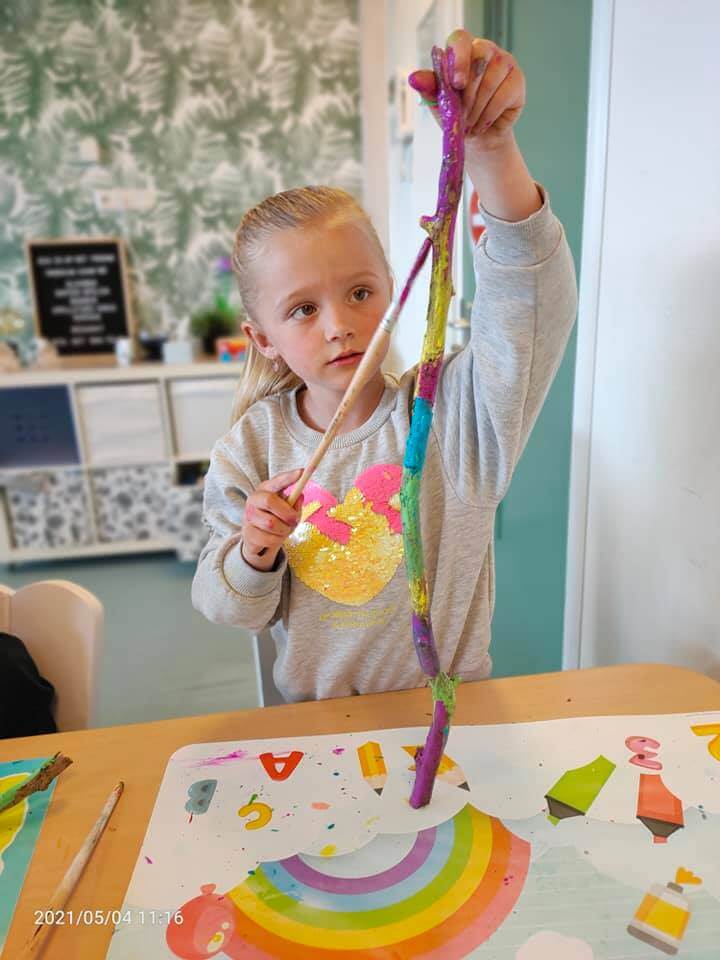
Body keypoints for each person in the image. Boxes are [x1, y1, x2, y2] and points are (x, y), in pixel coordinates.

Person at [192, 30, 578, 703]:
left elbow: (530, 309)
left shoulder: (455, 419)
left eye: (361, 293)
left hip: (452, 721)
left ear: (390, 285)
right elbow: (229, 609)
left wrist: (489, 149)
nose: (340, 323)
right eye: (303, 310)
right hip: (318, 733)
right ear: (264, 339)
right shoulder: (251, 450)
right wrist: (255, 548)